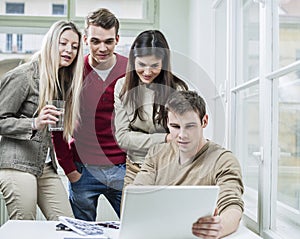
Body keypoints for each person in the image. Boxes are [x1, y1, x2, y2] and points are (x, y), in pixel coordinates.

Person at [0, 20, 84, 220]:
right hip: (17, 163)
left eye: (74, 46)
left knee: (66, 223)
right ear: (51, 43)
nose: (69, 50)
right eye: (63, 43)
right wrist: (34, 123)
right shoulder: (24, 76)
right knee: (25, 225)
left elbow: (58, 133)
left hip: (44, 166)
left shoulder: (62, 82)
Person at [133, 90, 244, 239]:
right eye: (175, 126)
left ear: (204, 121)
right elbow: (138, 195)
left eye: (190, 126)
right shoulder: (156, 153)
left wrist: (219, 227)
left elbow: (232, 206)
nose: (182, 135)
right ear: (167, 123)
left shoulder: (223, 160)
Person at [52, 8, 128, 221]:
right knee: (80, 235)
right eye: (95, 41)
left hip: (122, 169)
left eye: (109, 41)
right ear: (85, 39)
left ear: (117, 39)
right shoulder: (71, 71)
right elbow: (56, 126)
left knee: (136, 231)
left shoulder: (130, 69)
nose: (102, 48)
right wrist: (68, 169)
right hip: (82, 171)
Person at [114, 30, 188, 187]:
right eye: (141, 64)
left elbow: (181, 137)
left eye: (155, 66)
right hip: (135, 169)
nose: (147, 72)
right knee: (131, 211)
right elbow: (123, 138)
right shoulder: (122, 87)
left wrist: (139, 138)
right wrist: (164, 138)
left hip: (169, 168)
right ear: (133, 60)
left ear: (164, 63)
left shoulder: (178, 89)